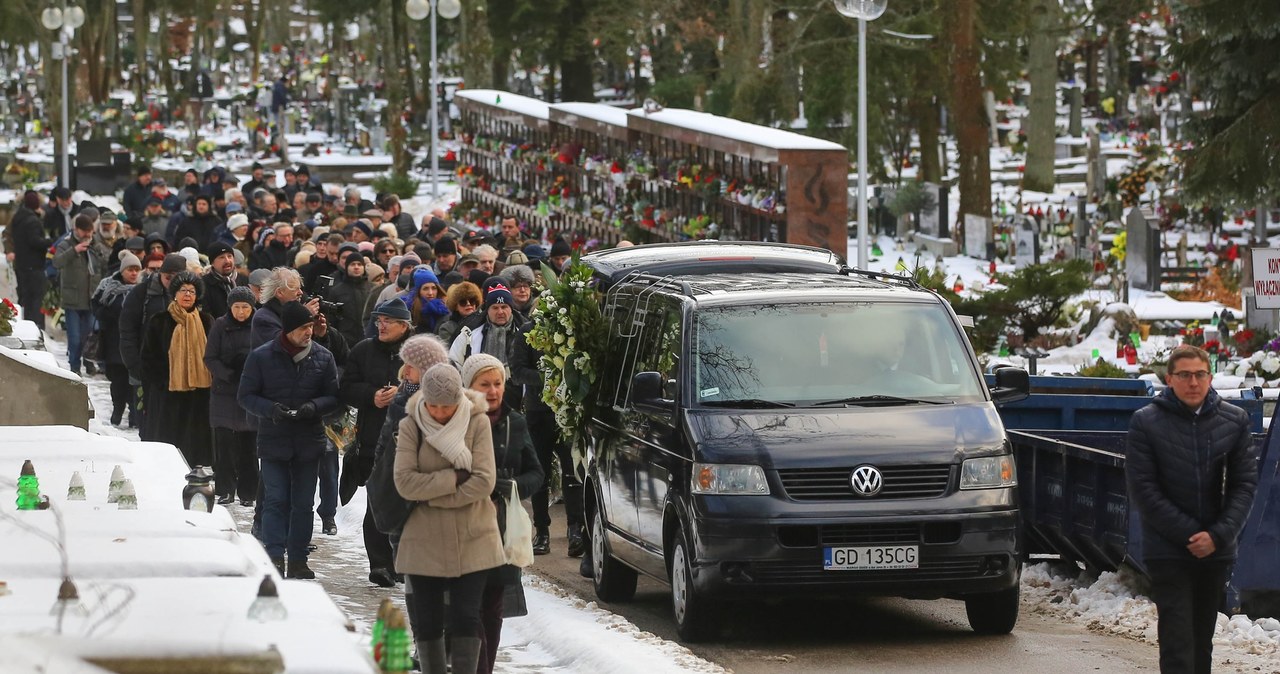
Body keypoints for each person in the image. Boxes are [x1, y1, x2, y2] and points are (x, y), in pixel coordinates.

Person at [1126, 345, 1259, 674]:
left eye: (1200, 374)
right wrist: (1189, 534)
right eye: (1184, 375)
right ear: (1169, 379)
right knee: (1177, 642)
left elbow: (1244, 485)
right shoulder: (1146, 422)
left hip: (1215, 551)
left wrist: (1217, 535)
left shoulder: (1234, 420)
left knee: (1202, 642)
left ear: (1210, 377)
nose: (1193, 382)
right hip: (1168, 551)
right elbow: (1144, 489)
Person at [394, 364, 504, 674]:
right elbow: (404, 482)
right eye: (434, 405)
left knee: (466, 617)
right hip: (423, 538)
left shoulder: (477, 422)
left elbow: (484, 480)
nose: (441, 412)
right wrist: (454, 478)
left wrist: (430, 495)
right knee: (428, 621)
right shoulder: (410, 426)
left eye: (448, 405)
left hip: (474, 535)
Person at [239, 301, 341, 579]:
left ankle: (298, 558)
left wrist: (314, 407)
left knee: (303, 502)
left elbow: (333, 396)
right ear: (287, 329)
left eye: (310, 327)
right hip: (274, 439)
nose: (308, 332)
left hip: (309, 440)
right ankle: (273, 556)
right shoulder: (261, 357)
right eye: (302, 328)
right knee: (276, 499)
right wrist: (271, 410)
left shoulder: (323, 357)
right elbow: (246, 395)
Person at [462, 354, 542, 674]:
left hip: (502, 526)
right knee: (468, 605)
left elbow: (536, 475)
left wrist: (510, 486)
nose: (493, 391)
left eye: (498, 383)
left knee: (492, 607)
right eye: (485, 384)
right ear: (469, 386)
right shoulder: (455, 421)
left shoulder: (514, 423)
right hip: (464, 524)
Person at [340, 297, 413, 587]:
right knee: (376, 503)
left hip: (410, 439)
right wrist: (372, 395)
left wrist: (405, 391)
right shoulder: (363, 350)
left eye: (387, 321)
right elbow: (345, 388)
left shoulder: (418, 351)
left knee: (406, 504)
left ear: (404, 326)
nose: (380, 325)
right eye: (378, 320)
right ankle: (380, 564)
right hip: (372, 438)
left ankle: (401, 562)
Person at [139, 271, 215, 468]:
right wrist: (163, 380)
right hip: (168, 392)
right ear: (174, 294)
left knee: (195, 440)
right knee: (168, 441)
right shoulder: (160, 321)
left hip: (199, 392)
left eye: (192, 291)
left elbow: (213, 354)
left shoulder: (207, 321)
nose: (188, 295)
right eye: (183, 290)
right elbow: (148, 357)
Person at [205, 286, 260, 506]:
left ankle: (249, 492)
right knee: (225, 445)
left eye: (245, 307)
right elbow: (210, 357)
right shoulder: (220, 325)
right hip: (224, 392)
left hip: (250, 391)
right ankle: (225, 489)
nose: (240, 312)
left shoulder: (258, 325)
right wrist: (227, 374)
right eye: (236, 307)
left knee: (249, 446)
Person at [91, 251, 142, 427]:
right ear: (122, 270)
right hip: (113, 343)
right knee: (118, 382)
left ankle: (135, 416)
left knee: (135, 382)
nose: (134, 273)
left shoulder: (142, 289)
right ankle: (118, 410)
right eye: (130, 269)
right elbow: (96, 305)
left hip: (135, 344)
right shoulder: (108, 286)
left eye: (137, 269)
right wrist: (109, 315)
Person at [53, 214, 104, 374]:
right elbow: (57, 262)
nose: (88, 235)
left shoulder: (95, 245)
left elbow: (102, 267)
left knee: (88, 336)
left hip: (90, 299)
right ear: (76, 230)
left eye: (90, 231)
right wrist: (74, 251)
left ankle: (87, 361)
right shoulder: (66, 244)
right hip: (72, 301)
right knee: (74, 338)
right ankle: (74, 367)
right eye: (84, 231)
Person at [10, 190, 51, 330]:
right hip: (34, 265)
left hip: (22, 264)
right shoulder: (32, 221)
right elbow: (35, 241)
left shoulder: (18, 217)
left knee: (26, 298)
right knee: (36, 298)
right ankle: (36, 328)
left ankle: (27, 326)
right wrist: (49, 242)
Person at [202, 241, 248, 319]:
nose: (227, 261)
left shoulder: (244, 280)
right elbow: (206, 315)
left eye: (229, 256)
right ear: (212, 263)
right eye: (221, 257)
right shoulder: (204, 284)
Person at [401, 267, 450, 336]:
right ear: (418, 291)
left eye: (433, 288)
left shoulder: (445, 309)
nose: (430, 293)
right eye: (425, 288)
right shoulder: (409, 310)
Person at [436, 281, 483, 348]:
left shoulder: (483, 324)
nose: (468, 304)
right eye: (463, 302)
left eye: (472, 301)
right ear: (455, 307)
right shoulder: (447, 328)